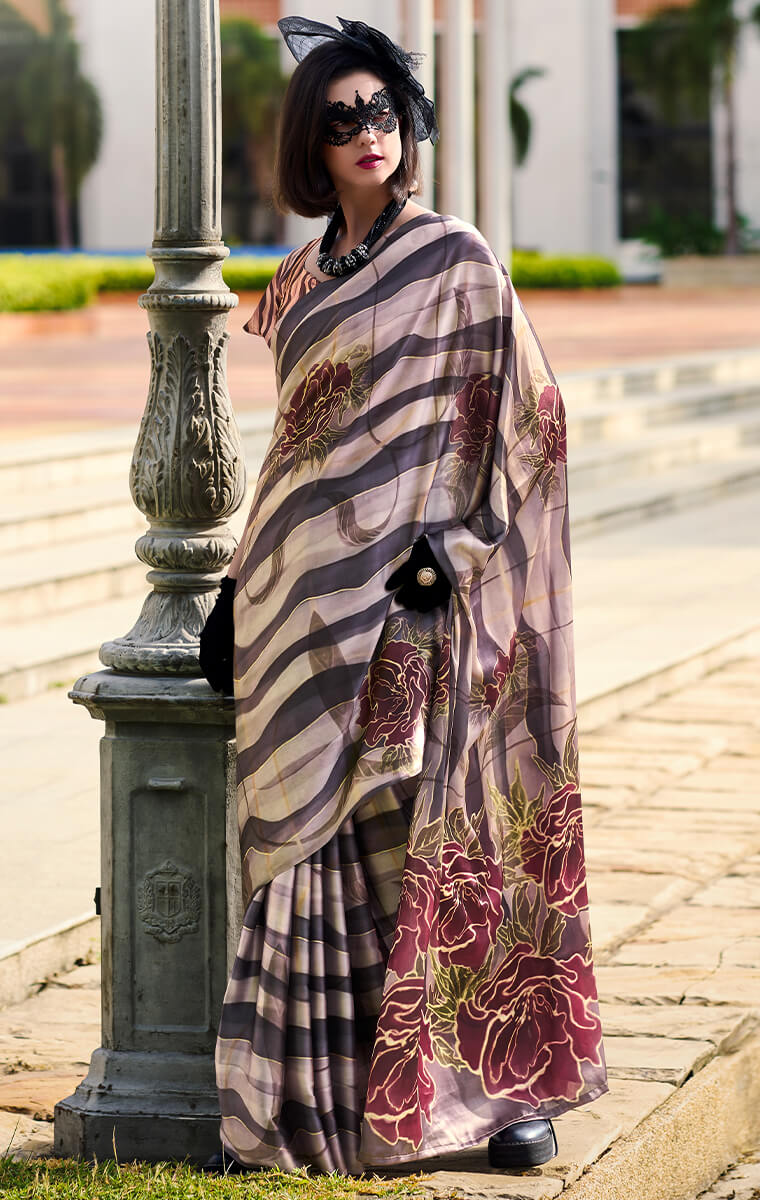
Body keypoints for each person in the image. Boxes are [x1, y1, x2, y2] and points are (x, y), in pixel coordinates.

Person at [198, 13, 607, 1177]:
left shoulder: (457, 258)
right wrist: (238, 588)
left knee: (425, 830)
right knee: (309, 848)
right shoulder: (293, 287)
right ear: (308, 148)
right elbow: (295, 451)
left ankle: (474, 1099)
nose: (365, 133)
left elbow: (531, 422)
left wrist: (447, 560)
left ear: (407, 125)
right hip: (295, 603)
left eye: (381, 112)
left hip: (414, 602)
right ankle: (304, 1097)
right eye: (339, 121)